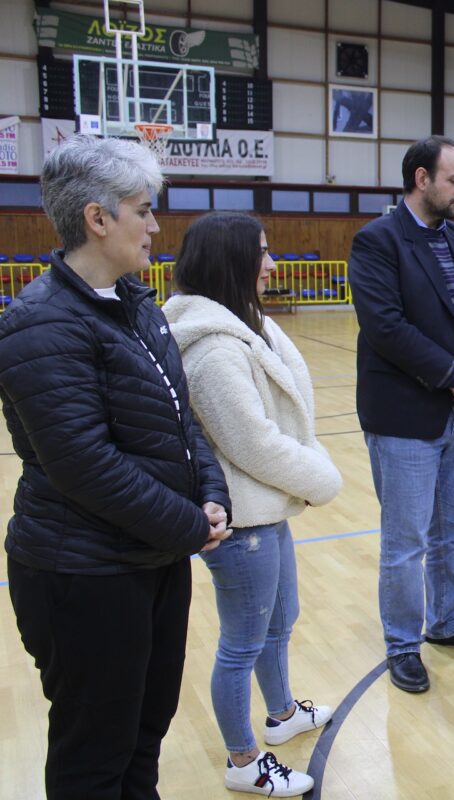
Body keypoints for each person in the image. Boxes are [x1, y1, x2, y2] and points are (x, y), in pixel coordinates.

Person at [0, 135, 230, 799]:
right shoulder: (39, 323)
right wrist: (188, 526)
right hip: (83, 575)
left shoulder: (137, 305)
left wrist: (211, 493)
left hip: (152, 559)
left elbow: (181, 419)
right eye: (143, 210)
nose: (156, 226)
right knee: (94, 757)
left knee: (143, 736)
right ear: (97, 219)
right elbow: (85, 465)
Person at [163, 213, 343, 796]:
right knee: (241, 643)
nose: (271, 264)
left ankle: (282, 712)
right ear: (230, 261)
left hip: (268, 510)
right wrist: (320, 478)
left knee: (279, 622)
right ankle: (243, 760)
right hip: (241, 525)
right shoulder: (214, 350)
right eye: (261, 253)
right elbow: (254, 443)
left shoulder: (245, 324)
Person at [349, 135, 454, 694]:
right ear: (422, 179)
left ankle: (448, 620)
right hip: (407, 417)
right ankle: (402, 644)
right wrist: (453, 375)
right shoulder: (377, 241)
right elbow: (385, 327)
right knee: (406, 542)